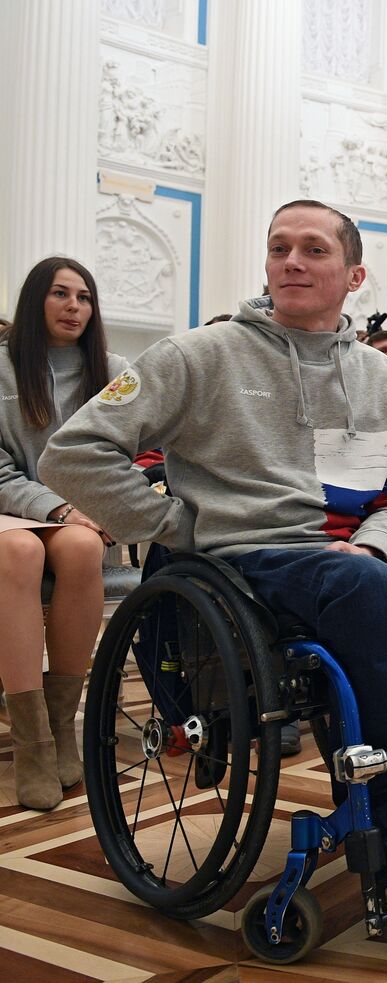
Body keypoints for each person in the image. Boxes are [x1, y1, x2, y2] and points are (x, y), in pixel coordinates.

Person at [40, 200, 387, 902]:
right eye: (280, 247)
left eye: (313, 250)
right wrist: (174, 524)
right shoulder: (201, 354)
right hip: (248, 560)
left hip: (354, 559)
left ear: (354, 274)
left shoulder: (376, 376)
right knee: (362, 586)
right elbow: (72, 452)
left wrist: (374, 545)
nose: (291, 261)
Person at [0, 257, 127, 810]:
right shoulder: (3, 367)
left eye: (84, 297)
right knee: (18, 549)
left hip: (81, 517)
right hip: (9, 509)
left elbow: (128, 454)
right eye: (60, 294)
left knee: (79, 549)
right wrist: (53, 508)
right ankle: (31, 745)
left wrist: (83, 511)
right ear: (35, 301)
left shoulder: (113, 371)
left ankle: (60, 728)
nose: (74, 306)